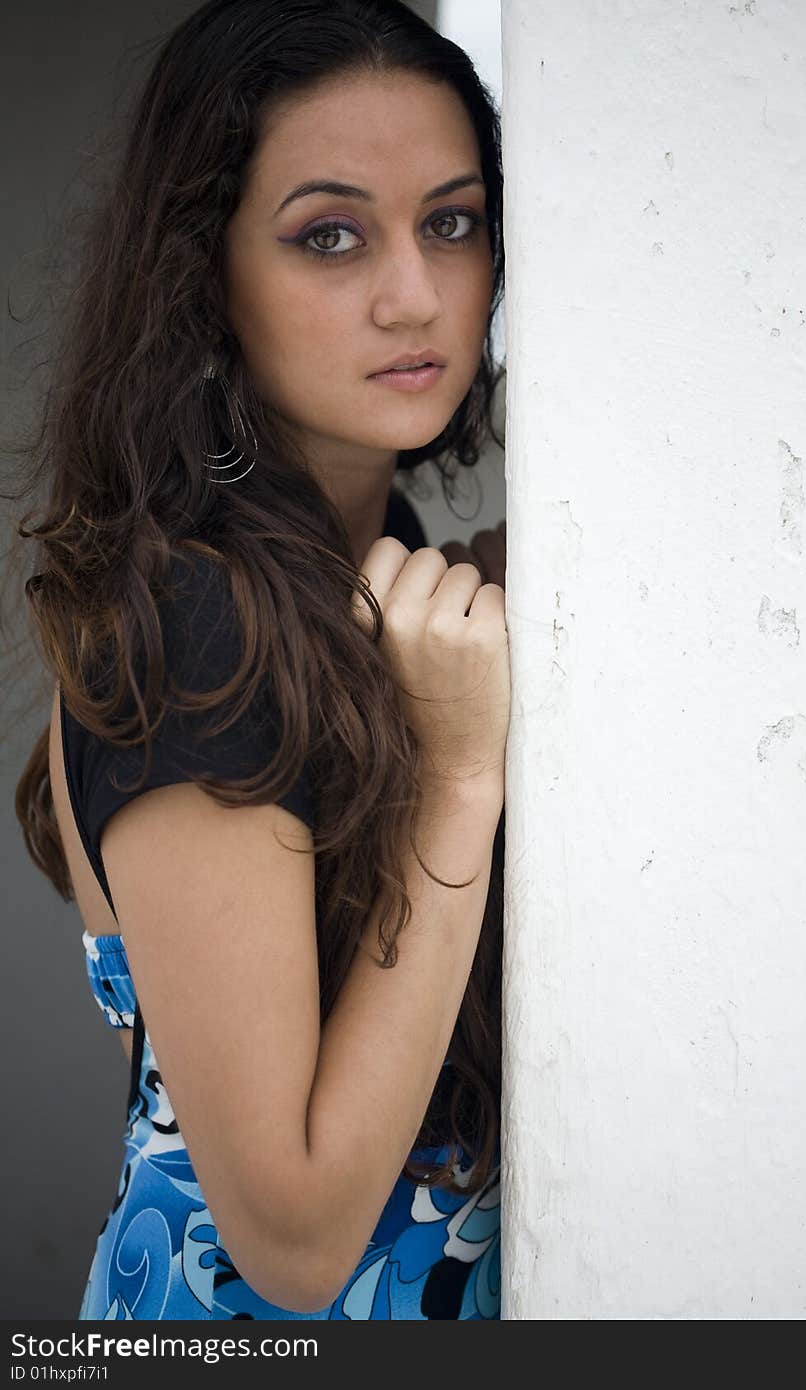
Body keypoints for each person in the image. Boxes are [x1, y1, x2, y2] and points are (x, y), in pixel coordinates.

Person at [11, 0, 508, 1320]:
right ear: (203, 270)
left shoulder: (370, 559)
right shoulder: (196, 622)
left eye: (452, 221)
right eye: (329, 235)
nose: (415, 293)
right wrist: (459, 779)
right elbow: (291, 1236)